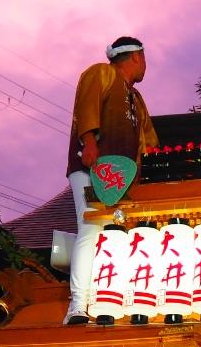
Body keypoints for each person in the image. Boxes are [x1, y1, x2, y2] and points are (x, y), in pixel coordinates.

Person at [64, 35, 159, 324]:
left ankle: (107, 301)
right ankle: (77, 305)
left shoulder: (136, 98)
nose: (145, 65)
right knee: (90, 228)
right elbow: (86, 107)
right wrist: (89, 143)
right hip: (94, 170)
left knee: (116, 237)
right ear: (136, 57)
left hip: (123, 179)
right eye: (144, 58)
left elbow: (148, 143)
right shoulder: (101, 73)